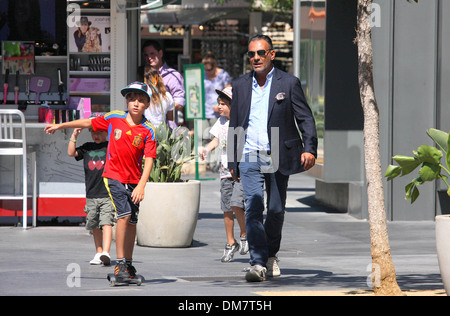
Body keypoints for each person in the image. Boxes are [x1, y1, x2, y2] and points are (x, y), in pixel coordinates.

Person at [227, 34, 317, 282]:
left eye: (260, 53)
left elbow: (305, 118)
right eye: (252, 54)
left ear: (271, 55)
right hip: (249, 155)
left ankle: (270, 254)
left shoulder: (288, 83)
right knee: (254, 208)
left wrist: (309, 148)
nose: (255, 58)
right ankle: (257, 262)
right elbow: (235, 123)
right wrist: (232, 161)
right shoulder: (240, 85)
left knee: (276, 209)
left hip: (278, 154)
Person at [45, 82, 157, 280]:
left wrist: (141, 185)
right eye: (131, 99)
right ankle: (120, 264)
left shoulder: (148, 130)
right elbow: (88, 123)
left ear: (147, 104)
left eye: (141, 100)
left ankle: (128, 266)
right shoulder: (114, 118)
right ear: (126, 102)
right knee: (123, 215)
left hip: (134, 181)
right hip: (113, 176)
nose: (136, 103)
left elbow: (149, 160)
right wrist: (61, 125)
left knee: (132, 221)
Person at [200, 87, 248, 263]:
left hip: (240, 172)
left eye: (224, 104)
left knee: (237, 204)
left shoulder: (241, 122)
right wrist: (206, 149)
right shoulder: (220, 121)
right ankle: (230, 243)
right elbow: (216, 140)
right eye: (219, 103)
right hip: (224, 172)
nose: (219, 107)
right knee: (226, 209)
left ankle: (244, 235)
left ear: (233, 106)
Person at [68, 126, 114, 265]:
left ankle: (106, 252)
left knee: (106, 222)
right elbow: (71, 153)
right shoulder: (87, 147)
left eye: (100, 132)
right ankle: (98, 252)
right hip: (91, 193)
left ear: (106, 132)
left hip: (107, 193)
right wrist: (74, 135)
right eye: (94, 132)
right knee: (94, 224)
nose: (96, 135)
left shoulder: (110, 147)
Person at [139, 40, 185, 126]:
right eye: (146, 55)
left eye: (152, 54)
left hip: (166, 129)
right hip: (144, 128)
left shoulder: (172, 76)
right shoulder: (141, 74)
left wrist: (159, 108)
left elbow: (180, 103)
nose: (149, 58)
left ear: (160, 53)